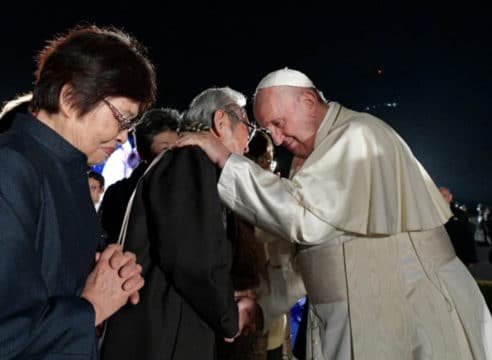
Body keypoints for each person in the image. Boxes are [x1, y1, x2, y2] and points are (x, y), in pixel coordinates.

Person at [175, 68, 492, 359]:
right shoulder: (309, 159)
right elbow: (304, 263)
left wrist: (224, 159)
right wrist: (261, 307)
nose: (275, 139)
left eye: (278, 124)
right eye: (267, 128)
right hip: (346, 319)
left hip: (412, 312)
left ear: (309, 102)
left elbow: (300, 216)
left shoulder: (358, 135)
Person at [0, 24, 156, 359]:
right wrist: (91, 308)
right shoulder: (11, 169)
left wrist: (108, 272)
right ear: (70, 99)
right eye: (122, 119)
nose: (123, 139)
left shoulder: (65, 168)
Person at [100, 87, 256, 360]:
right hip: (164, 334)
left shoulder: (192, 162)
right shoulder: (189, 159)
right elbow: (193, 257)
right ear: (221, 122)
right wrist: (228, 317)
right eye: (247, 126)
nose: (249, 141)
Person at [99, 107, 181, 244]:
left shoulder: (186, 188)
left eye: (178, 148)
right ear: (143, 152)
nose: (175, 156)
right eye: (165, 149)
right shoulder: (119, 194)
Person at [439, 187, 478, 267]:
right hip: (438, 256)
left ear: (450, 197)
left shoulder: (461, 214)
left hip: (458, 255)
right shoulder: (431, 214)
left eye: (444, 196)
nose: (441, 198)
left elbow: (469, 235)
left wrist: (471, 257)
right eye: (439, 196)